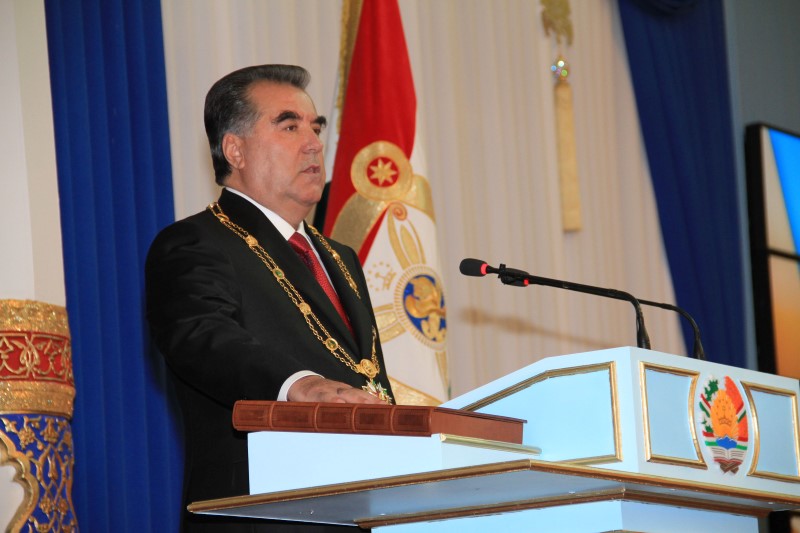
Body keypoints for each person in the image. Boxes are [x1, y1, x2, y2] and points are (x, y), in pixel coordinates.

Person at [145, 64, 394, 532]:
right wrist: (300, 384)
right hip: (265, 513)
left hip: (361, 510)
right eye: (289, 126)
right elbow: (204, 339)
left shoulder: (339, 258)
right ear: (234, 149)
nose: (314, 142)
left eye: (316, 127)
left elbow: (366, 376)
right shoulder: (194, 244)